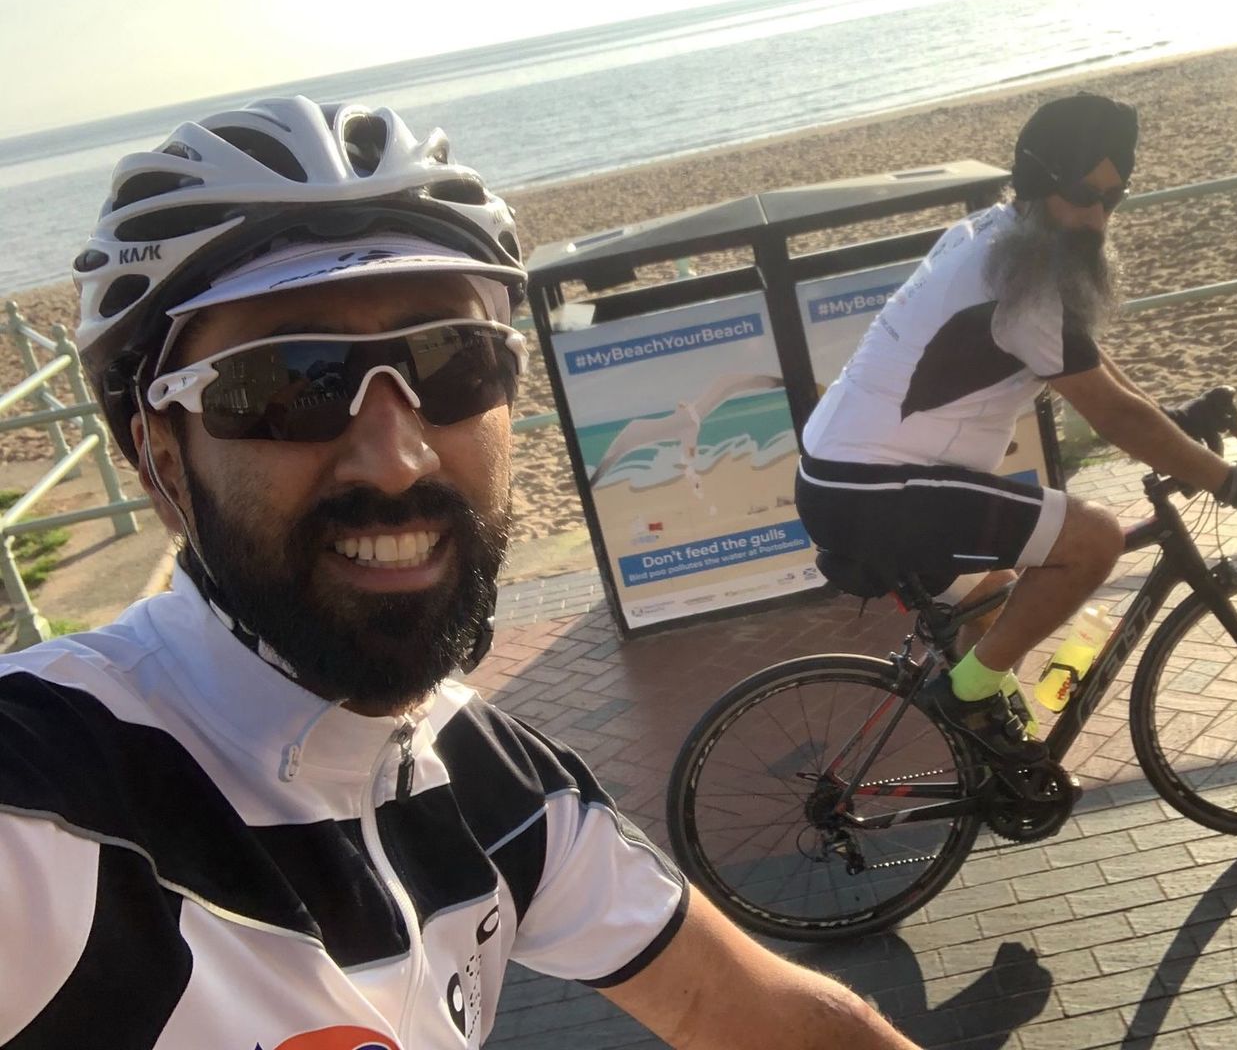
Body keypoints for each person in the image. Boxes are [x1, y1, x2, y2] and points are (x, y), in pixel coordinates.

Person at [0, 97, 919, 1049]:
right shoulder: (50, 794)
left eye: (455, 363)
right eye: (288, 383)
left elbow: (768, 1017)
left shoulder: (492, 783)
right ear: (161, 460)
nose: (398, 461)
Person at [796, 92, 1237, 766]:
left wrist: (1172, 423)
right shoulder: (1023, 285)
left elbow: (1088, 363)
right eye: (1082, 194)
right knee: (1094, 539)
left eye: (1113, 198)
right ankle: (963, 699)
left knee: (995, 600)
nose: (1097, 217)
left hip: (846, 476)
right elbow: (1111, 414)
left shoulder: (997, 234)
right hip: (874, 488)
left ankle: (986, 760)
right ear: (1041, 184)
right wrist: (1235, 483)